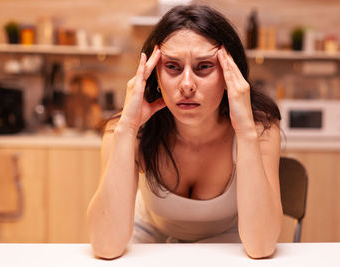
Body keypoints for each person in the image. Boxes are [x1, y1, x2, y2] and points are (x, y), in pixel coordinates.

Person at [87, 4, 282, 260]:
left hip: (229, 249)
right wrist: (128, 128)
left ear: (228, 74)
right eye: (172, 67)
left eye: (203, 67)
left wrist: (245, 129)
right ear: (155, 75)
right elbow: (105, 247)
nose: (187, 85)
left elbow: (261, 247)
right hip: (148, 246)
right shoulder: (127, 130)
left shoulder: (259, 129)